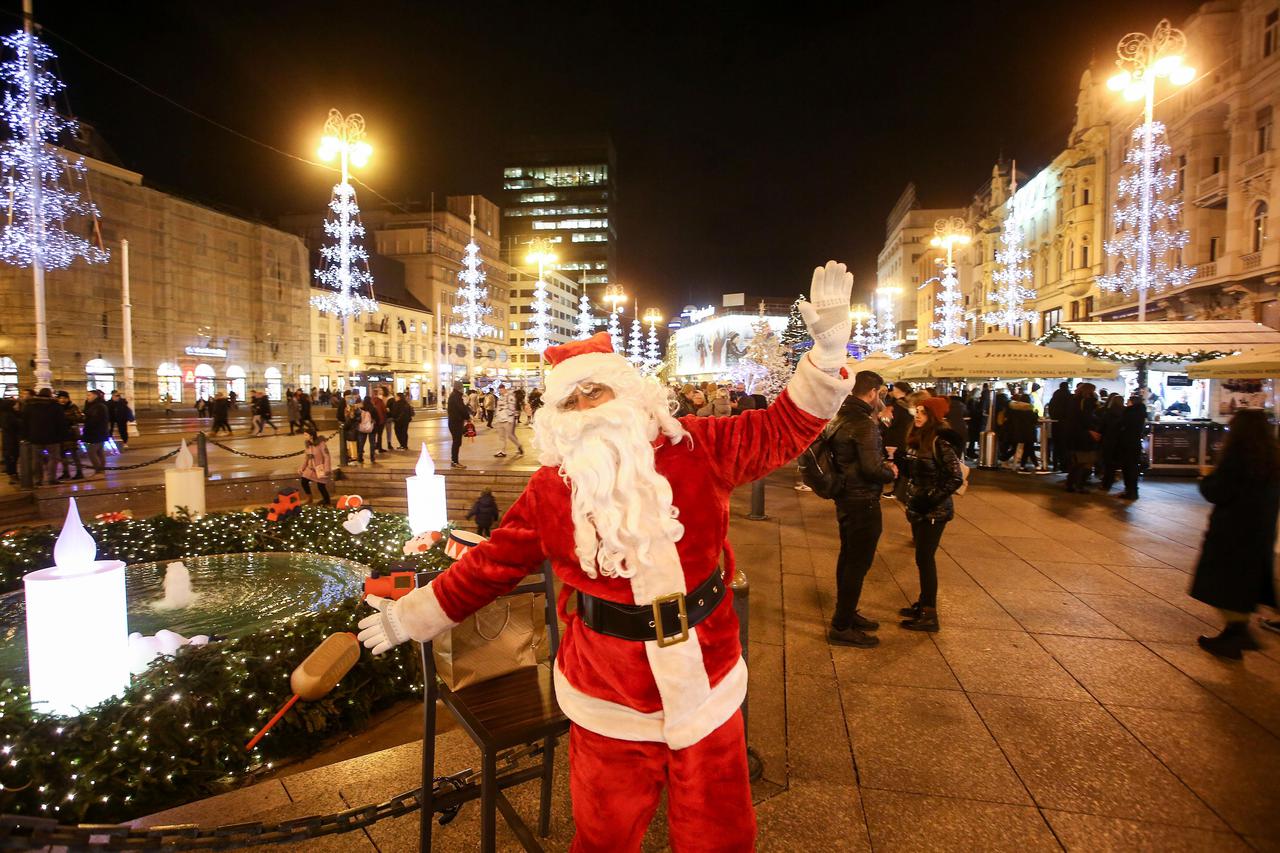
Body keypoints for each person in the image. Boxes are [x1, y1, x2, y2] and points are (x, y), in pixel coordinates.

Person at [356, 261, 857, 851]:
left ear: (632, 392)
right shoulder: (550, 488)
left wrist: (826, 353)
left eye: (597, 388)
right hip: (606, 692)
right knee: (604, 835)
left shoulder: (698, 445)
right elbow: (489, 567)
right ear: (557, 419)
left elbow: (783, 427)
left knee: (719, 833)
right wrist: (407, 616)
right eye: (573, 398)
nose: (588, 403)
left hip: (707, 675)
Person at [1190, 408, 1279, 659]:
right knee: (1240, 586)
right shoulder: (1271, 459)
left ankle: (1236, 633)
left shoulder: (1238, 459)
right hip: (1259, 533)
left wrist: (1206, 478)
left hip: (1231, 533)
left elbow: (1217, 492)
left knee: (1221, 585)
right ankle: (1236, 632)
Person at [826, 369, 897, 648]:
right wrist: (890, 471)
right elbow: (871, 468)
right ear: (873, 393)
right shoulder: (864, 423)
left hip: (845, 497)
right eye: (880, 394)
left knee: (848, 557)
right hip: (863, 500)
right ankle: (842, 626)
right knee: (858, 562)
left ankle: (846, 612)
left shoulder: (839, 417)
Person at [899, 396, 964, 632]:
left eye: (923, 413)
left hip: (934, 510)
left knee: (925, 559)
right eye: (916, 411)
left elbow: (955, 477)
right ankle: (923, 604)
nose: (917, 415)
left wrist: (931, 498)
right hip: (918, 507)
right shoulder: (918, 439)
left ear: (933, 417)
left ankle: (929, 614)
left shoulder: (940, 442)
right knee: (921, 558)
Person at [1062, 382, 1100, 493]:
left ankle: (1071, 484)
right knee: (1084, 461)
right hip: (1083, 436)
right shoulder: (1085, 403)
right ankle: (1079, 485)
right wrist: (1091, 430)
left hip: (1074, 435)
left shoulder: (1074, 401)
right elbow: (1085, 419)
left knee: (1078, 461)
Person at [22, 388, 64, 485]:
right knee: (53, 458)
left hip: (35, 437)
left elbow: (25, 422)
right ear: (50, 395)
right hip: (52, 437)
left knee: (36, 460)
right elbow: (61, 423)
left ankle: (38, 479)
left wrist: (25, 436)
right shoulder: (55, 406)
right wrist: (62, 436)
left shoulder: (30, 406)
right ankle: (52, 478)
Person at [1116, 396, 1147, 500]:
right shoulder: (1141, 413)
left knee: (1127, 468)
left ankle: (1130, 491)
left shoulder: (1129, 413)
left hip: (1127, 443)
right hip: (1135, 443)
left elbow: (1121, 425)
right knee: (1133, 468)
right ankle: (1133, 491)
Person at [1098, 394, 1126, 492]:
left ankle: (1106, 484)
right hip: (1120, 441)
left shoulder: (1107, 412)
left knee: (1108, 464)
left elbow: (1102, 427)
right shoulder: (1125, 412)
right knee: (1115, 463)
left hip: (1108, 440)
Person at [298, 427, 333, 505]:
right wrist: (302, 468)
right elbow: (307, 457)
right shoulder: (308, 444)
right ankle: (309, 498)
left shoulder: (321, 444)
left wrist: (327, 469)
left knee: (321, 487)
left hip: (320, 469)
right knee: (304, 481)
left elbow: (327, 456)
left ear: (311, 436)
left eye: (306, 435)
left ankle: (327, 502)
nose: (304, 437)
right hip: (310, 469)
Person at [54, 391, 84, 481]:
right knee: (62, 455)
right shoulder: (56, 408)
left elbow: (80, 418)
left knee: (74, 454)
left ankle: (79, 472)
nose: (62, 400)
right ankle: (66, 472)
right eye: (60, 398)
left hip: (71, 435)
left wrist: (67, 418)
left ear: (68, 399)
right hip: (60, 434)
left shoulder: (73, 407)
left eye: (64, 398)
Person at [81, 389, 110, 477]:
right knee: (99, 452)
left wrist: (84, 419)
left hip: (96, 433)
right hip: (98, 433)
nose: (87, 397)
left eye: (89, 395)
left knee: (91, 452)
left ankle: (99, 471)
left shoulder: (99, 406)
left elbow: (94, 420)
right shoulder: (93, 405)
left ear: (95, 396)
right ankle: (101, 471)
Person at [1045, 381, 1072, 472]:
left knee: (1056, 445)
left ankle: (1055, 464)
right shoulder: (1068, 396)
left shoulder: (1055, 397)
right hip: (1065, 424)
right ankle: (1064, 465)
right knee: (1064, 446)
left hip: (1055, 423)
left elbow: (1051, 408)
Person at [493, 384, 524, 459]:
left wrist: (509, 416)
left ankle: (519, 446)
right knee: (501, 436)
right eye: (499, 390)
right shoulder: (500, 397)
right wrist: (497, 418)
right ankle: (502, 451)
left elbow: (512, 408)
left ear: (505, 389)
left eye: (501, 389)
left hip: (508, 419)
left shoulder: (510, 396)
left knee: (510, 435)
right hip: (500, 419)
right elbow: (498, 408)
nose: (500, 391)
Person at [446, 382, 470, 469]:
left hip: (455, 422)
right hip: (455, 423)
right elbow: (461, 409)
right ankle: (454, 461)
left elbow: (462, 408)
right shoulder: (456, 397)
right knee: (456, 442)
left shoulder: (455, 396)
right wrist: (467, 417)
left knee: (457, 442)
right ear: (458, 388)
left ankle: (454, 461)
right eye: (462, 387)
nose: (463, 389)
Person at [0, 398, 19, 484]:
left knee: (11, 457)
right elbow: (18, 425)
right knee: (11, 457)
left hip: (9, 439)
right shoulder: (9, 416)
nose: (17, 405)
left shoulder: (6, 414)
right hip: (11, 440)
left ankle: (13, 475)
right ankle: (13, 476)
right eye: (15, 404)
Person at [355, 396, 377, 465]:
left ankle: (360, 457)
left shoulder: (361, 408)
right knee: (372, 443)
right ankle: (372, 458)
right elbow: (377, 418)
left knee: (361, 443)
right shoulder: (373, 408)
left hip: (362, 428)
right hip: (371, 428)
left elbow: (357, 418)